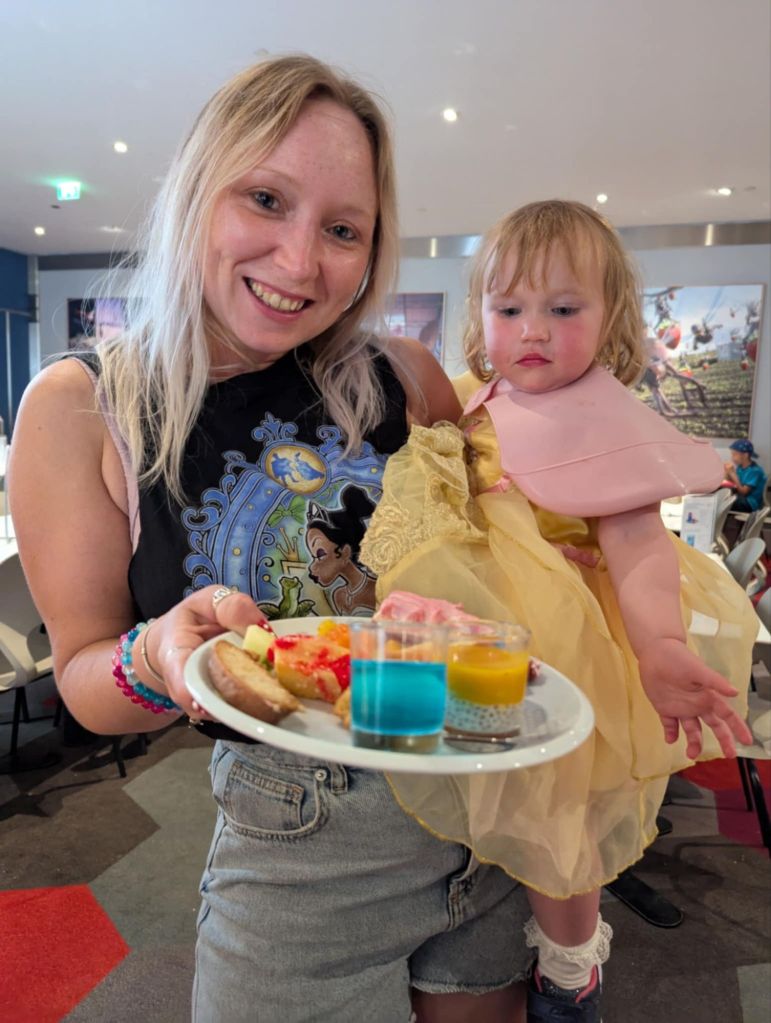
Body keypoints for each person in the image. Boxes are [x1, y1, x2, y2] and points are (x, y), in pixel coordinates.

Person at [8, 55, 534, 1023]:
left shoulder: (405, 375)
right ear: (198, 192)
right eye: (265, 199)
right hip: (300, 837)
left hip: (481, 795)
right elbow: (81, 676)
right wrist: (157, 656)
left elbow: (496, 562)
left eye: (342, 229)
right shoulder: (85, 407)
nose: (299, 262)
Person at [361, 200, 757, 1021]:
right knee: (464, 779)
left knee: (561, 817)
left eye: (564, 308)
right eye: (508, 308)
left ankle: (570, 966)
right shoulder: (470, 399)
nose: (532, 330)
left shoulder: (604, 418)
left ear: (609, 316)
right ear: (479, 313)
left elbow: (637, 539)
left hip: (566, 643)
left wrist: (657, 643)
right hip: (475, 632)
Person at [724, 439, 767, 512]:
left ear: (745, 455)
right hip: (741, 497)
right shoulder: (740, 467)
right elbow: (734, 483)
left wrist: (732, 474)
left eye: (735, 454)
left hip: (750, 503)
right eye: (732, 454)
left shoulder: (755, 471)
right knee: (722, 495)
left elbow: (743, 492)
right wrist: (727, 473)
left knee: (726, 501)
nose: (732, 457)